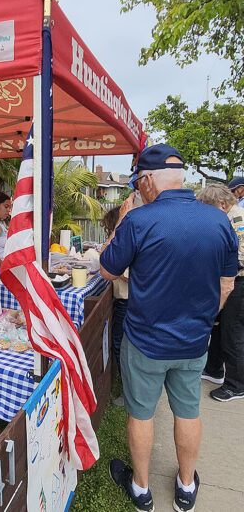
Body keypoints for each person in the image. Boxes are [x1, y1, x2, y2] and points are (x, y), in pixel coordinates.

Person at [100, 144, 238, 512]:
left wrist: (125, 217)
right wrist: (206, 320)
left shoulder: (138, 220)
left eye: (138, 182)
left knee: (141, 414)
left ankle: (142, 490)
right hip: (194, 341)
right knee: (188, 411)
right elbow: (227, 284)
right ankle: (186, 486)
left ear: (147, 181)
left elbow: (107, 269)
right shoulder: (219, 220)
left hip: (146, 340)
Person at [196, 184, 244, 401]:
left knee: (233, 334)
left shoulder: (237, 219)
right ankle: (214, 369)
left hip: (238, 283)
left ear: (222, 204)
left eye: (208, 208)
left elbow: (240, 256)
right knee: (218, 327)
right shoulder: (223, 218)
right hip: (224, 281)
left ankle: (237, 385)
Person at [101, 206, 128, 406]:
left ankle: (129, 392)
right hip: (127, 301)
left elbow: (127, 275)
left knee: (121, 345)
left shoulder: (124, 240)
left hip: (128, 302)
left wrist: (113, 269)